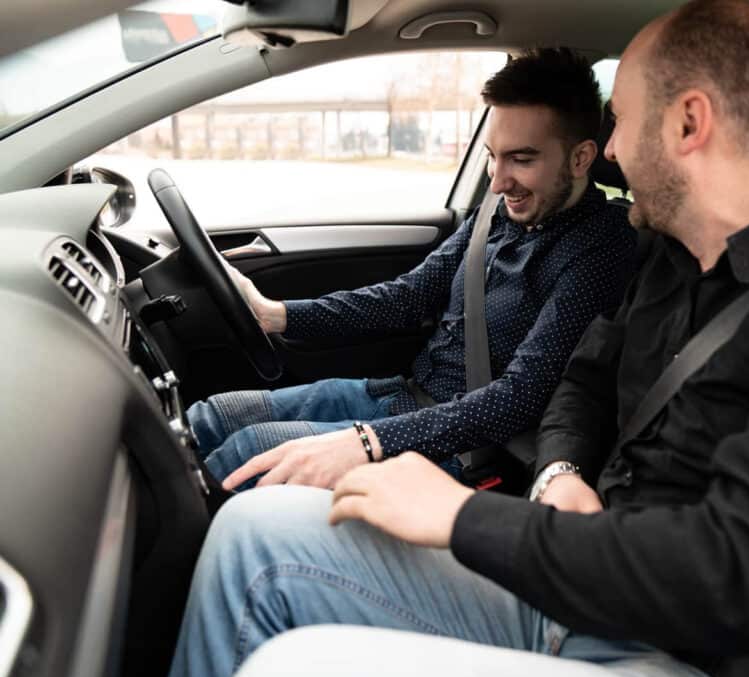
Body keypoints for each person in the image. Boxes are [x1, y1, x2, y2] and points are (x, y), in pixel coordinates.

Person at [169, 0, 749, 677]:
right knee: (251, 533)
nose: (612, 150)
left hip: (681, 654)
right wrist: (558, 476)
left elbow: (735, 573)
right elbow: (580, 384)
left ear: (689, 122)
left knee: (278, 620)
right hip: (584, 579)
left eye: (620, 122)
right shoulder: (679, 254)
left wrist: (459, 517)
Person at [188, 47, 636, 491]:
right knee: (211, 418)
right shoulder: (498, 211)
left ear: (580, 159)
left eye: (521, 159)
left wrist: (371, 441)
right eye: (491, 156)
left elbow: (519, 398)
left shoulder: (601, 248)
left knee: (246, 456)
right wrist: (277, 314)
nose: (498, 182)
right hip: (398, 398)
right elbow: (408, 296)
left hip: (464, 449)